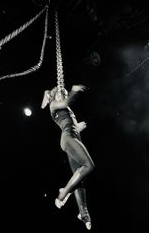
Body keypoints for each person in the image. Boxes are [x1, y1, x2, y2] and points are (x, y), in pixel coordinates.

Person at [41, 84, 95, 230]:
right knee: (89, 166)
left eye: (64, 93)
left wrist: (78, 127)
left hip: (74, 138)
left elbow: (71, 122)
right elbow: (66, 103)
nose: (63, 95)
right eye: (61, 93)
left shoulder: (67, 109)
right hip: (67, 138)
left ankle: (83, 214)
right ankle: (63, 192)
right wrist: (74, 91)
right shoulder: (53, 105)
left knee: (79, 179)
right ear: (55, 96)